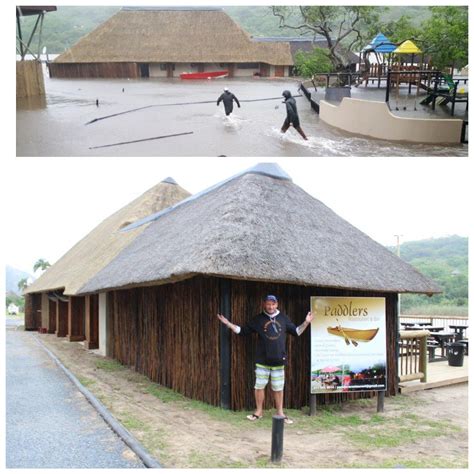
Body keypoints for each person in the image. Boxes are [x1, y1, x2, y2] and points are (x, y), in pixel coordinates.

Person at [217, 295, 313, 424]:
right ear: (264, 304)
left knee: (278, 388)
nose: (271, 307)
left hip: (279, 360)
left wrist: (306, 322)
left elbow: (296, 332)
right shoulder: (258, 319)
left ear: (277, 304)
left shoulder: (283, 318)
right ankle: (258, 412)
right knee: (259, 386)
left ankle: (280, 413)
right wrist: (228, 324)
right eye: (268, 304)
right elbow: (243, 331)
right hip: (262, 361)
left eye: (273, 304)